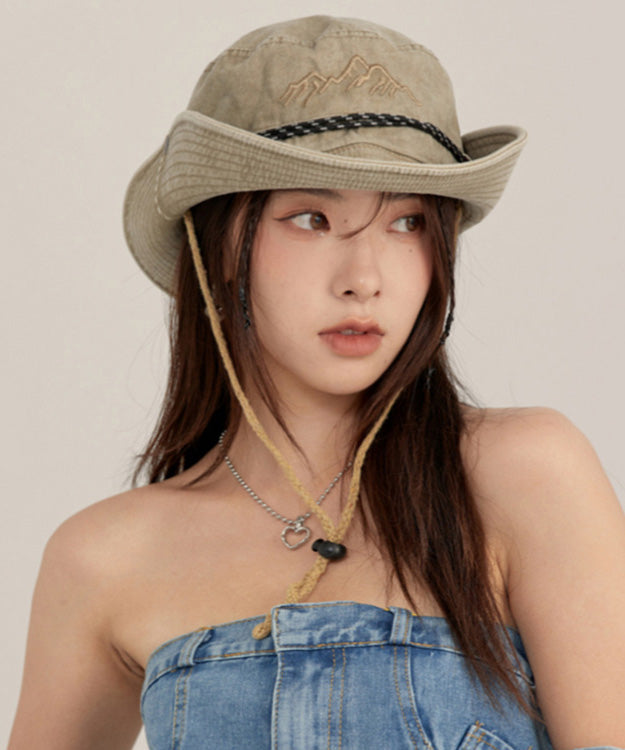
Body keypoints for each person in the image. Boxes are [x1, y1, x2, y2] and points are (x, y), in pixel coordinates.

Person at [8, 15, 625, 750]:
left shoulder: (521, 474)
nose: (364, 278)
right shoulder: (106, 559)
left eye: (407, 223)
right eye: (311, 218)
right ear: (223, 246)